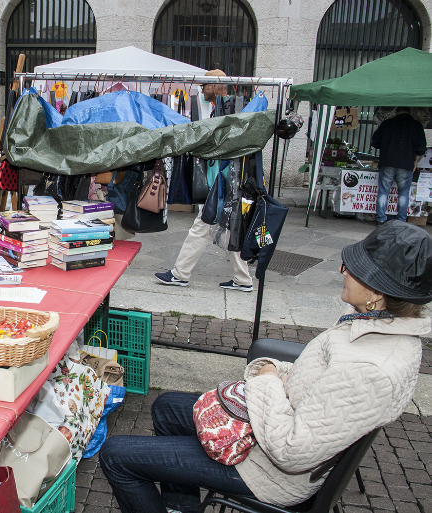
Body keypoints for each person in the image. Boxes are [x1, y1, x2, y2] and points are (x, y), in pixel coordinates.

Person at [102, 221, 432, 513]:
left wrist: (267, 378)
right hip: (272, 434)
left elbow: (291, 450)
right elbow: (316, 380)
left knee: (116, 456)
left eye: (353, 268)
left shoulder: (370, 368)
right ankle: (180, 506)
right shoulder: (375, 324)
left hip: (269, 472)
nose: (342, 270)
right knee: (165, 407)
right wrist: (273, 373)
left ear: (376, 291)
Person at [154, 69, 254, 292]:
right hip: (223, 182)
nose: (202, 91)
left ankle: (181, 274)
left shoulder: (227, 110)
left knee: (207, 226)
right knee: (221, 228)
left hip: (222, 183)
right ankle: (242, 278)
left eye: (204, 86)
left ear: (215, 86)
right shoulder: (225, 109)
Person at [371, 106, 426, 224]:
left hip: (387, 162)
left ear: (396, 112)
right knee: (403, 194)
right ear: (410, 112)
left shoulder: (387, 123)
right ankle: (401, 220)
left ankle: (381, 219)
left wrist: (387, 145)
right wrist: (415, 161)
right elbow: (421, 147)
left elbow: (375, 142)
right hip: (406, 164)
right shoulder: (416, 125)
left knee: (383, 192)